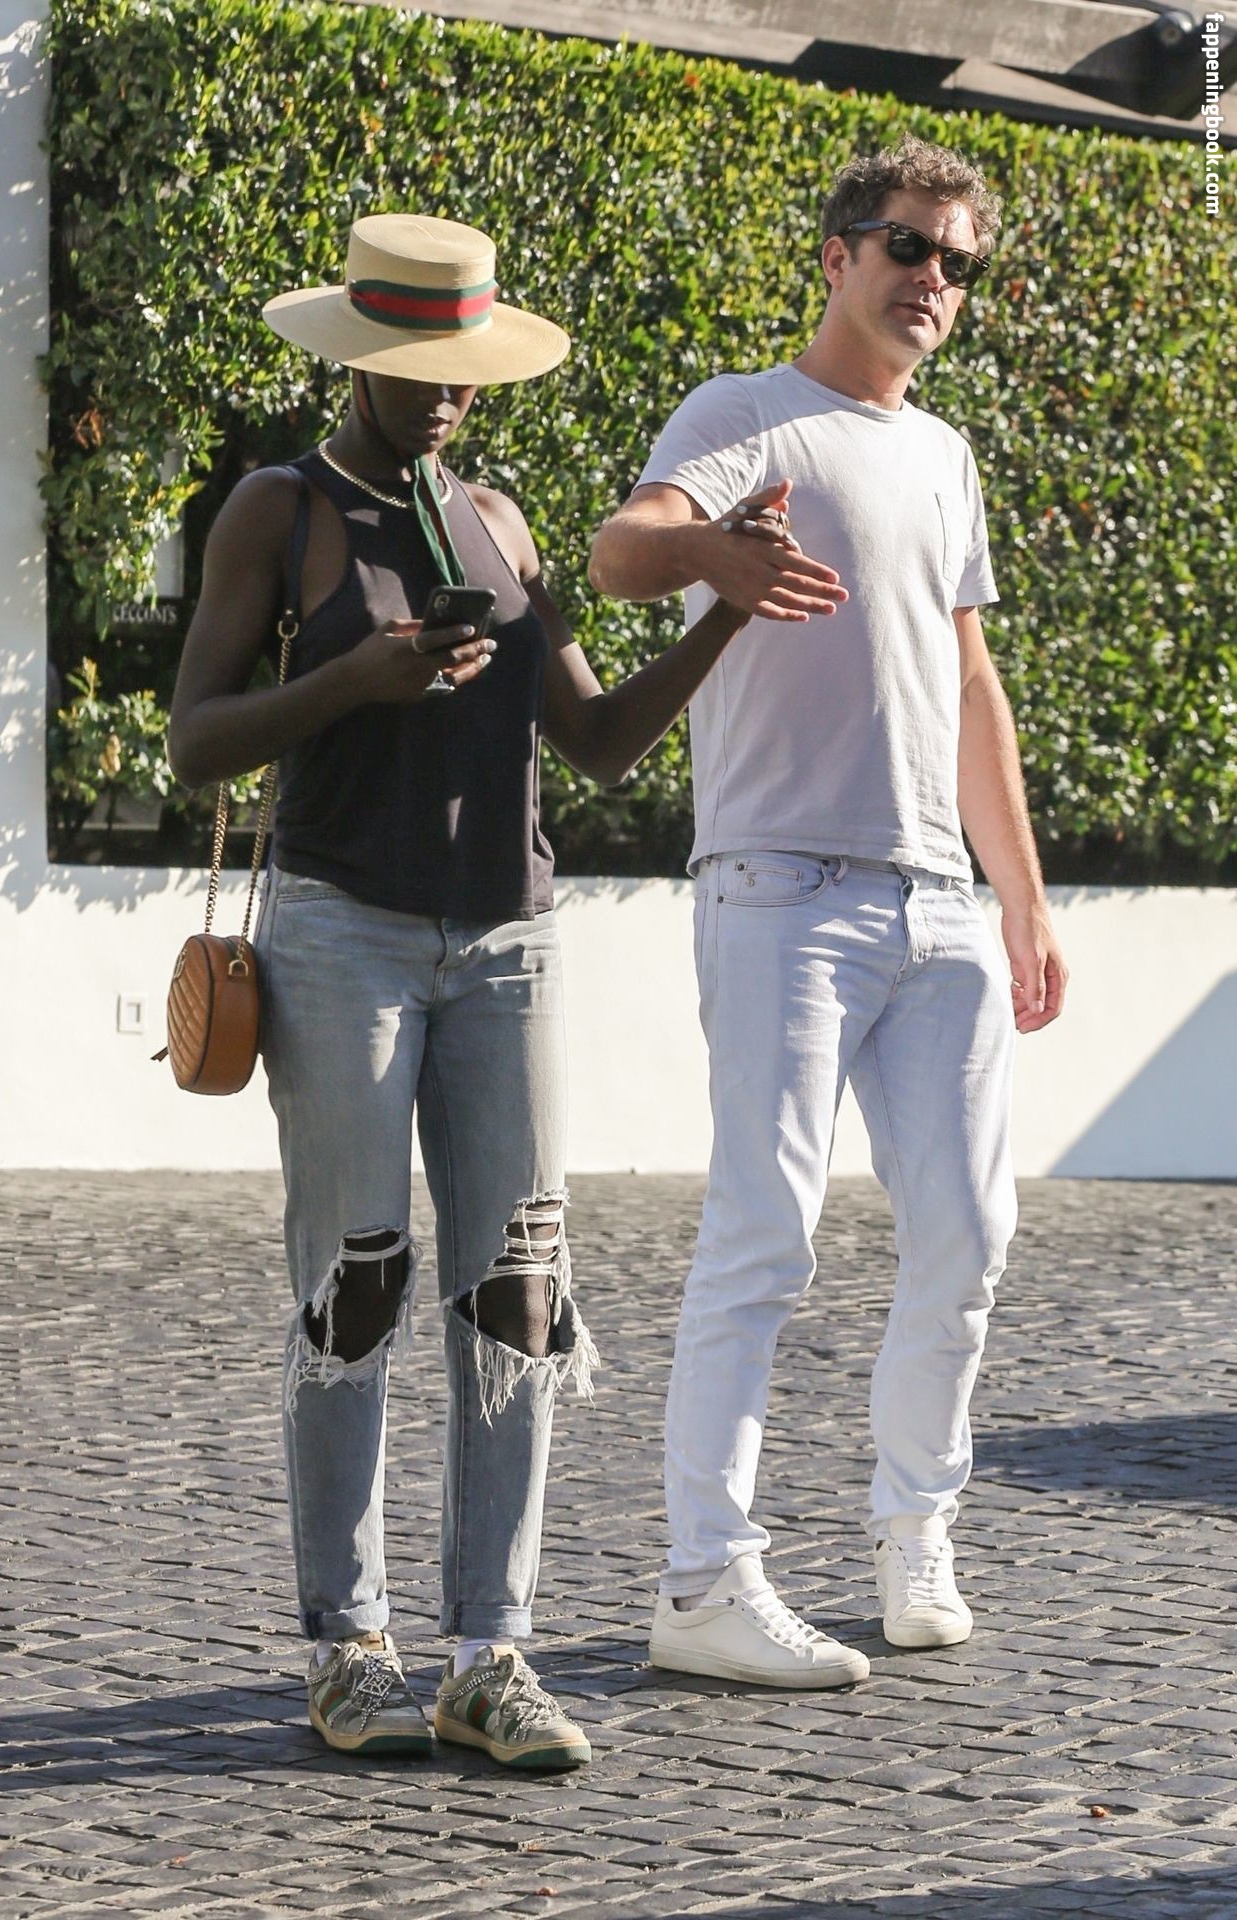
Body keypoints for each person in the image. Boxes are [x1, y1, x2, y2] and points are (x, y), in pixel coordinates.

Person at [167, 212, 757, 1767]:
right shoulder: (281, 511)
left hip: (512, 946)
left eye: (463, 372)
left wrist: (729, 609)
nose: (444, 398)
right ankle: (349, 1646)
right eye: (416, 369)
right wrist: (351, 682)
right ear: (357, 357)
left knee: (519, 1298)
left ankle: (491, 1656)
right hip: (341, 934)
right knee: (353, 1286)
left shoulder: (496, 519)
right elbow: (195, 741)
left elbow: (600, 743)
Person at [588, 135, 1068, 1688]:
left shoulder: (946, 456)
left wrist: (1021, 897)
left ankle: (916, 1529)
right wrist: (713, 554)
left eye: (959, 262)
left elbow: (972, 684)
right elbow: (616, 553)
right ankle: (703, 1582)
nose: (934, 280)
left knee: (970, 1235)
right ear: (838, 255)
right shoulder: (742, 414)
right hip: (779, 889)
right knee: (763, 1234)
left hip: (940, 905)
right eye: (908, 247)